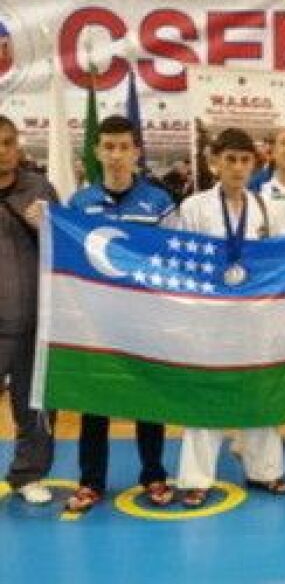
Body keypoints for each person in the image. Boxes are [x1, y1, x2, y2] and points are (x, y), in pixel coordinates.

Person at [65, 115, 176, 513]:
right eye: (109, 147)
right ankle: (91, 481)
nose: (116, 155)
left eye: (123, 147)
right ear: (97, 152)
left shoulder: (159, 203)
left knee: (150, 401)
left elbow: (170, 260)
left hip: (145, 319)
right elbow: (68, 258)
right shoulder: (78, 204)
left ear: (136, 152)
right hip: (96, 321)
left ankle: (154, 475)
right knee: (95, 402)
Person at [175, 127, 285, 507]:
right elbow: (184, 264)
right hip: (210, 317)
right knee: (204, 394)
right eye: (230, 160)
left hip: (254, 317)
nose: (238, 167)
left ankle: (265, 470)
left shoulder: (266, 208)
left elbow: (277, 262)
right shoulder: (194, 208)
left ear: (254, 164)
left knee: (259, 391)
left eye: (245, 160)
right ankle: (196, 477)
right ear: (215, 163)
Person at [0, 115, 58, 504]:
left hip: (35, 319)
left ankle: (27, 474)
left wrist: (47, 226)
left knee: (34, 401)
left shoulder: (39, 189)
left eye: (8, 142)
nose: (2, 151)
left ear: (18, 146)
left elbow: (69, 246)